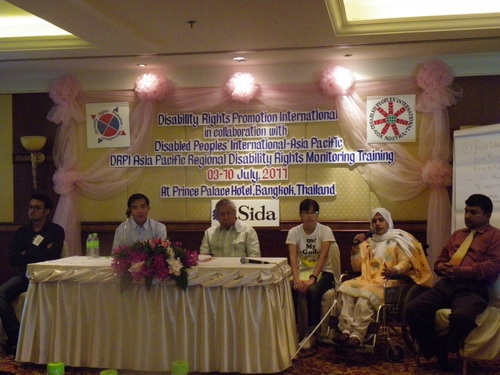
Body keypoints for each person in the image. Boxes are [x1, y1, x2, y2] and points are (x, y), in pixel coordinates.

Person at [405, 194, 500, 371]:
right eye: (465, 211)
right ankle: (435, 349)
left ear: (487, 216)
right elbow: (441, 258)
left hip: (473, 289)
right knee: (413, 309)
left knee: (462, 316)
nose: (467, 216)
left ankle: (449, 348)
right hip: (446, 285)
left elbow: (492, 266)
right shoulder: (457, 235)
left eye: (473, 212)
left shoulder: (495, 236)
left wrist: (461, 271)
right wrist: (442, 267)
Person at [334, 207, 432, 349]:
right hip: (367, 280)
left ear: (388, 222)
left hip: (390, 282)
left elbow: (406, 262)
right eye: (374, 221)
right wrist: (355, 248)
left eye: (381, 220)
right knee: (346, 289)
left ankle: (357, 335)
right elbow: (357, 268)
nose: (377, 224)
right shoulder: (369, 242)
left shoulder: (398, 240)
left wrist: (395, 269)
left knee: (364, 297)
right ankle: (345, 330)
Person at [0, 193, 65, 356]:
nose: (32, 210)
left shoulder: (56, 230)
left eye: (37, 207)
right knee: (1, 293)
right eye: (30, 207)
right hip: (26, 275)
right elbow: (12, 259)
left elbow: (54, 255)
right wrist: (41, 250)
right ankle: (16, 338)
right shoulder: (22, 232)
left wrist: (26, 252)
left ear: (46, 211)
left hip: (49, 276)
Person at [286, 199, 336, 349]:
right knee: (291, 288)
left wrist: (312, 278)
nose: (309, 216)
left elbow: (323, 256)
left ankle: (311, 333)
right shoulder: (294, 232)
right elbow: (293, 257)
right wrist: (296, 279)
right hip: (302, 272)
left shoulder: (325, 230)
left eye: (313, 212)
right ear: (300, 215)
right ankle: (294, 330)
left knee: (313, 291)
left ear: (317, 214)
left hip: (325, 272)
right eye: (306, 212)